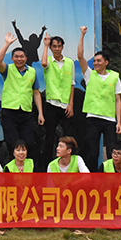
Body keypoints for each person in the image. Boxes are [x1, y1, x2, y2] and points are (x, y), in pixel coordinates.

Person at [77, 26, 121, 172]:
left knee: (111, 152)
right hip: (93, 118)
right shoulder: (89, 74)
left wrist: (119, 121)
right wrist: (82, 35)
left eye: (99, 61)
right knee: (92, 152)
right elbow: (80, 56)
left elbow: (118, 100)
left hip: (109, 119)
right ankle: (92, 177)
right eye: (94, 61)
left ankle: (110, 177)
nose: (95, 63)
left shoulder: (114, 77)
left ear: (106, 62)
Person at [0, 32, 45, 153]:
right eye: (16, 57)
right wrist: (7, 44)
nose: (19, 59)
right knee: (12, 142)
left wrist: (40, 113)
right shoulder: (7, 69)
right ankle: (13, 165)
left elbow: (36, 92)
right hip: (9, 111)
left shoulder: (32, 71)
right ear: (12, 58)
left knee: (28, 142)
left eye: (21, 56)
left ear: (26, 58)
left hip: (26, 112)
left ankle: (25, 165)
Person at [40, 33, 75, 165]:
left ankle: (68, 165)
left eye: (59, 46)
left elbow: (72, 84)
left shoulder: (70, 62)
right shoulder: (48, 60)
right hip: (52, 104)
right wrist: (45, 45)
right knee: (49, 137)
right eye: (54, 46)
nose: (57, 49)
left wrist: (71, 104)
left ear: (62, 47)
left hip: (66, 105)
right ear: (51, 48)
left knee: (68, 137)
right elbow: (43, 63)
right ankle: (47, 166)